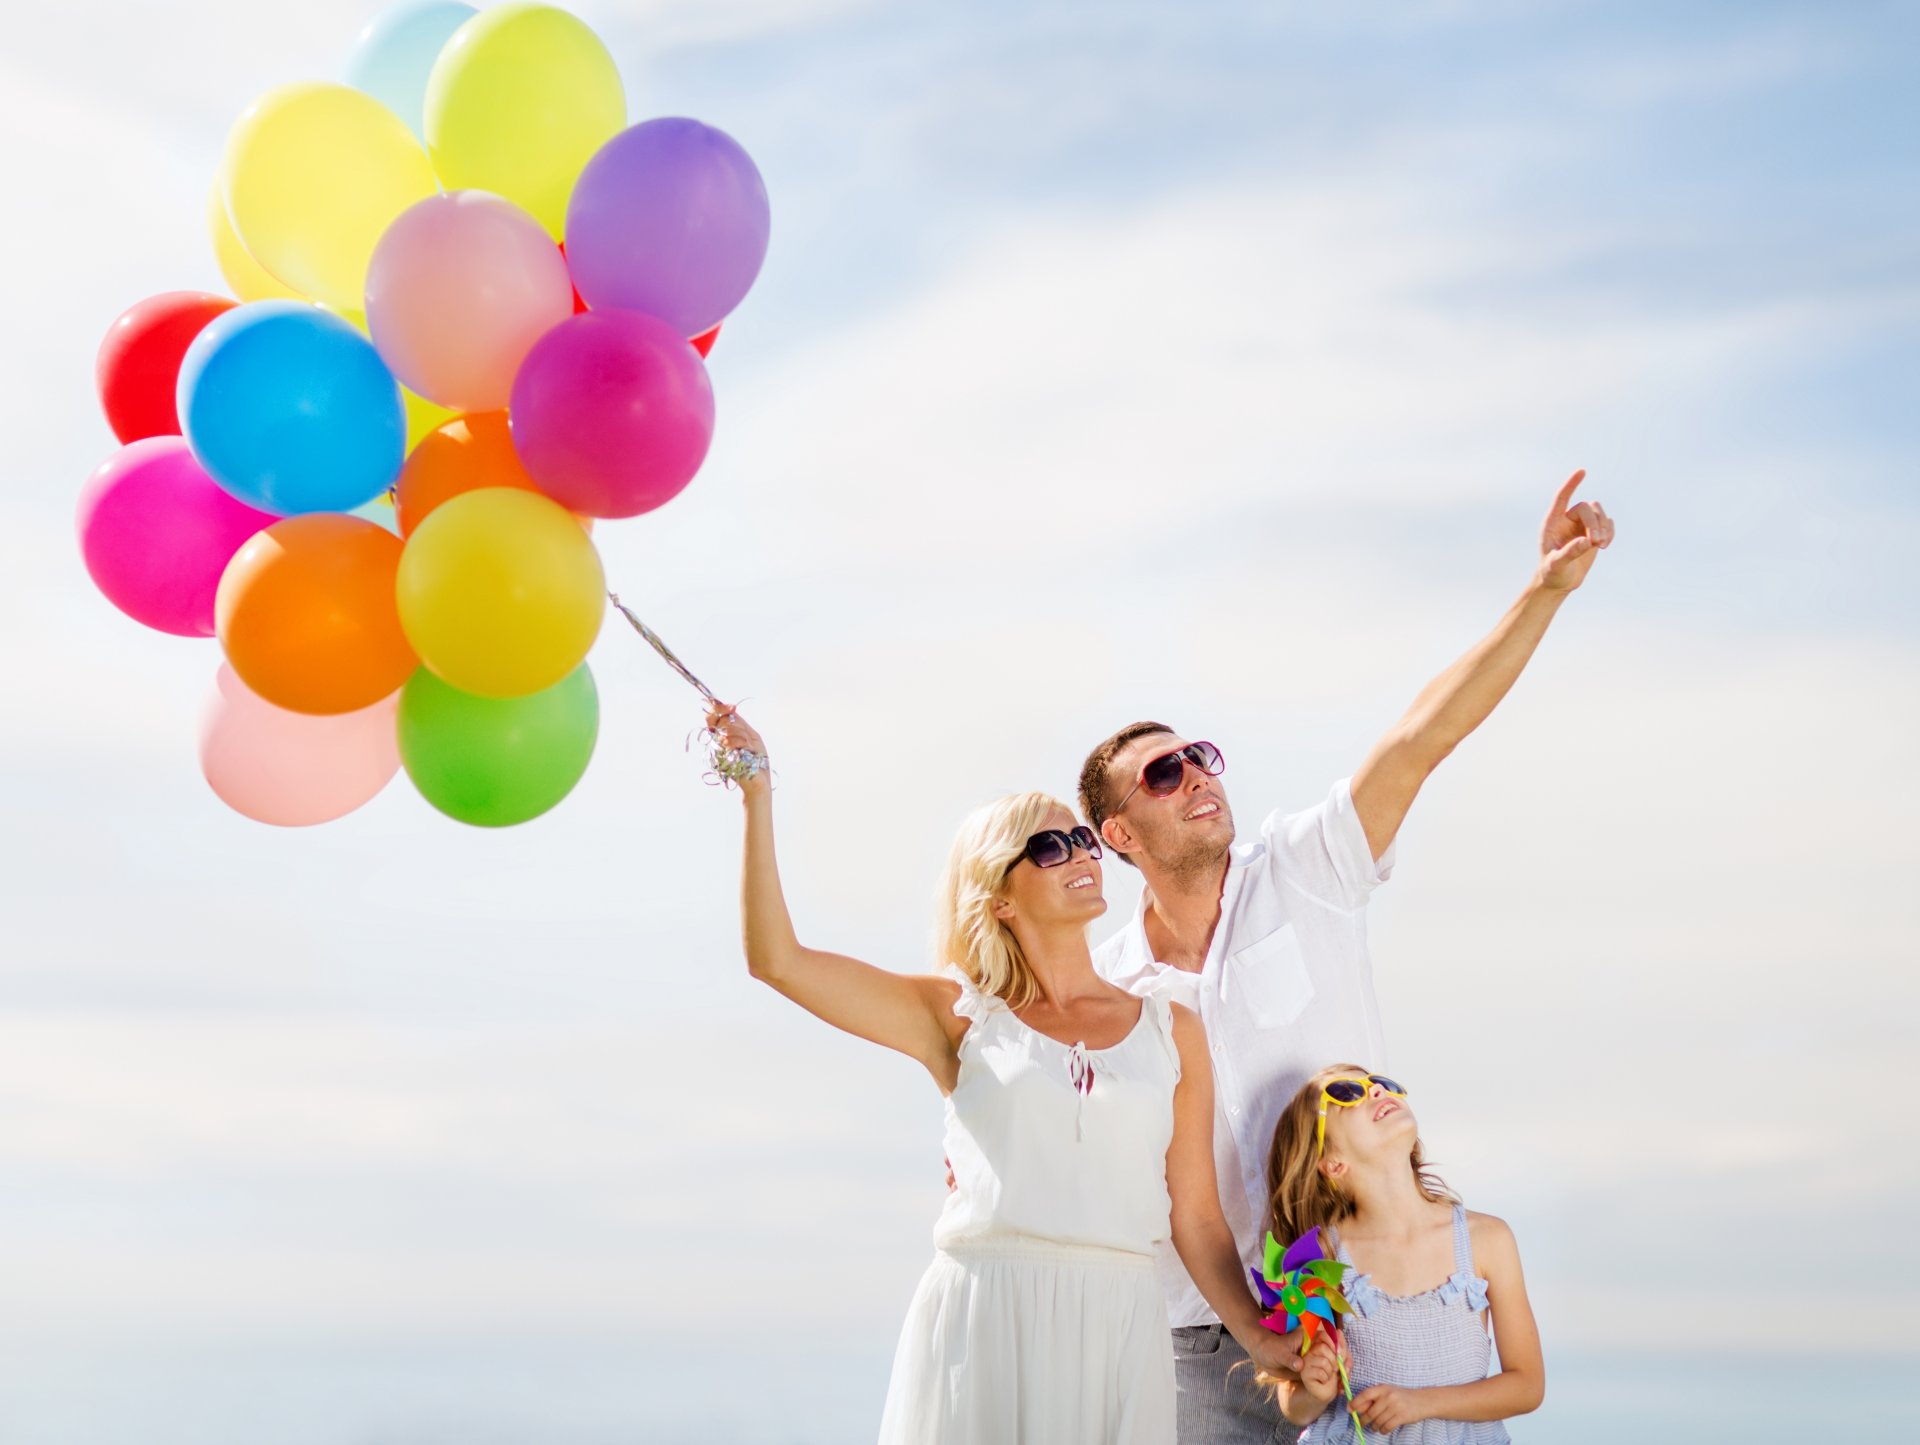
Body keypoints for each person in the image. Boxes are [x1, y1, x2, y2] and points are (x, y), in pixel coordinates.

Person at [1075, 472, 1610, 1439]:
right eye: (1163, 771)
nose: (1195, 773)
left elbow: (1421, 735)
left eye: (1198, 753)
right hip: (1197, 1339)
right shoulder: (1107, 984)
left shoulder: (1305, 865)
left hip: (1368, 1311)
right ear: (1118, 832)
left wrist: (1546, 590)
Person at [705, 705, 1304, 1444]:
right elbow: (779, 960)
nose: (1081, 854)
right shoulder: (959, 1016)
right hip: (987, 1313)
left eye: (1083, 838)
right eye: (1050, 847)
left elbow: (1198, 1217)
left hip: (1123, 1325)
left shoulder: (1171, 1026)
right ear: (999, 896)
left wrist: (1260, 1335)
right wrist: (756, 792)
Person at [1263, 1066, 1543, 1440]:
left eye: (1379, 1084)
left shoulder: (1487, 1239)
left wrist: (1421, 1403)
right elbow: (1293, 1406)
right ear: (1331, 1163)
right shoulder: (1322, 1256)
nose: (1376, 1091)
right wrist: (1317, 1390)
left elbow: (1527, 1385)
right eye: (1346, 1094)